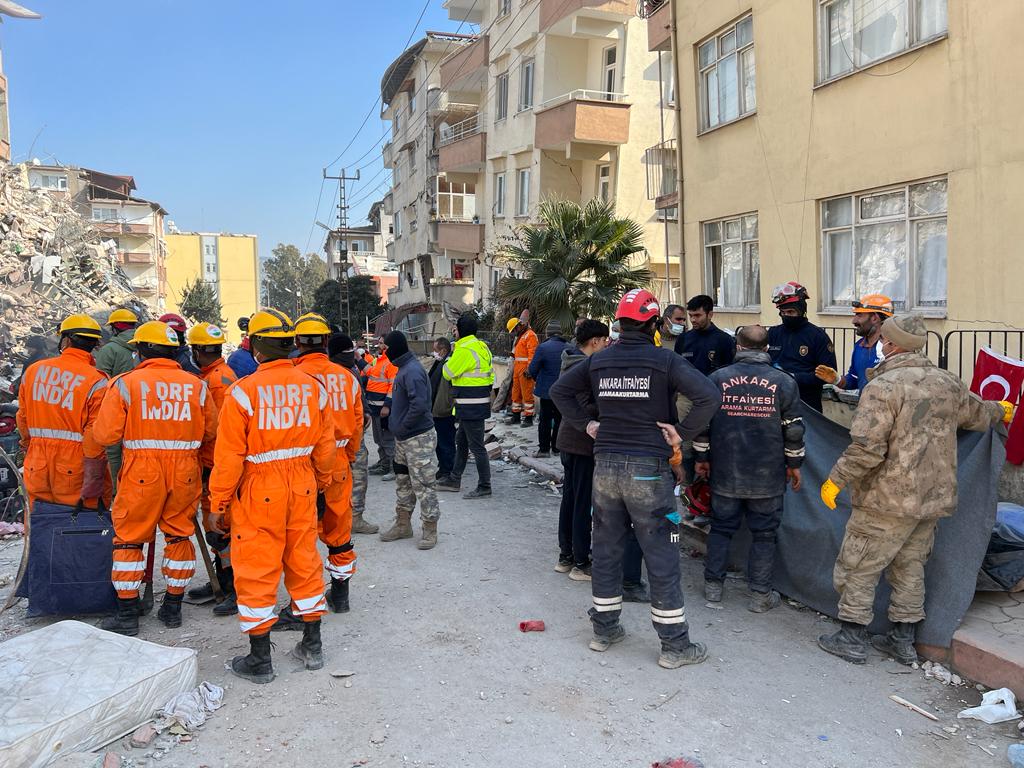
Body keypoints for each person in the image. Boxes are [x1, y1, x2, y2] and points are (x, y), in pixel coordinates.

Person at [817, 314, 1007, 665]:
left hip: (886, 500)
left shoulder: (883, 387)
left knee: (858, 566)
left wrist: (835, 480)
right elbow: (979, 415)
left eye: (883, 339)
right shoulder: (948, 382)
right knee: (910, 568)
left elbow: (867, 448)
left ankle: (851, 638)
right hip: (931, 500)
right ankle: (902, 640)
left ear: (891, 344)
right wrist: (1001, 410)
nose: (880, 344)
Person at [551, 288, 721, 669]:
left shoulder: (600, 360)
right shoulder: (665, 361)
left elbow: (560, 391)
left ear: (620, 323)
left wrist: (587, 424)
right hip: (648, 471)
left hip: (606, 468)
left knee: (606, 547)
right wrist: (681, 433)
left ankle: (604, 630)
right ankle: (675, 645)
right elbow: (709, 396)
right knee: (663, 550)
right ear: (653, 323)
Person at [207, 309, 336, 683]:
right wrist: (320, 483)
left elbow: (229, 456)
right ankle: (312, 646)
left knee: (256, 568)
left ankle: (260, 660)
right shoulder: (313, 388)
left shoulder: (243, 392)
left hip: (260, 488)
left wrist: (218, 503)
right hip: (302, 483)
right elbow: (325, 447)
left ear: (256, 347)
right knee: (304, 561)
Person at [93, 320, 218, 636]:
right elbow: (211, 431)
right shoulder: (196, 385)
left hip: (142, 473)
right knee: (178, 536)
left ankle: (127, 613)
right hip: (185, 472)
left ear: (143, 350)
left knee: (129, 539)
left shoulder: (126, 384)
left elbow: (106, 435)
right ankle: (173, 608)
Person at [690, 325, 804, 613]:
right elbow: (793, 430)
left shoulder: (717, 379)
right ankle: (760, 595)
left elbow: (703, 425)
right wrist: (794, 465)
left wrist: (701, 458)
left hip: (726, 471)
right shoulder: (784, 382)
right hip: (767, 474)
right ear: (766, 349)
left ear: (738, 347)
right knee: (764, 534)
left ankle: (713, 588)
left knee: (720, 528)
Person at [556, 321, 650, 595]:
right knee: (581, 503)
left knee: (571, 500)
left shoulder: (571, 360)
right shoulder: (584, 367)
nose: (609, 344)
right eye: (606, 340)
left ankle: (566, 555)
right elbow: (585, 405)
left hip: (571, 441)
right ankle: (581, 563)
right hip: (583, 443)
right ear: (595, 341)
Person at [292, 313, 362, 614]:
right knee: (339, 533)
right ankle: (341, 595)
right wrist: (348, 456)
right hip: (339, 464)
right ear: (326, 341)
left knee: (301, 536)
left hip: (302, 466)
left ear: (297, 342)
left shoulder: (294, 378)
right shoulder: (347, 378)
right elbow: (357, 424)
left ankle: (304, 602)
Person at [16, 314, 109, 511]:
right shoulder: (97, 381)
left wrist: (28, 445)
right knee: (76, 521)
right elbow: (94, 433)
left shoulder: (34, 371)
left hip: (37, 461)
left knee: (38, 519)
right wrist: (94, 470)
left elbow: (22, 418)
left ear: (66, 340)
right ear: (95, 345)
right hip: (75, 466)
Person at [184, 322, 239, 616]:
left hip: (216, 463)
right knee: (217, 528)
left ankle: (234, 587)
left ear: (197, 351)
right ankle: (222, 579)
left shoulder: (214, 382)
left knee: (222, 529)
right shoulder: (221, 374)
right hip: (217, 462)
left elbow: (215, 430)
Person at [378, 331, 442, 549]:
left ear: (395, 348)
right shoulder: (403, 368)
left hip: (418, 439)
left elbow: (420, 405)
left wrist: (403, 426)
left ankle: (430, 530)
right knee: (403, 483)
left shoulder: (412, 371)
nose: (383, 351)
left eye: (385, 348)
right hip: (404, 440)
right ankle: (403, 525)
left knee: (424, 485)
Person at [438, 314, 495, 499]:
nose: (454, 332)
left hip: (470, 405)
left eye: (455, 329)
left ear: (461, 331)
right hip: (476, 403)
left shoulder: (463, 350)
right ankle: (454, 479)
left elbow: (447, 373)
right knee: (461, 442)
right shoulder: (482, 346)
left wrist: (449, 356)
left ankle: (484, 486)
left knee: (477, 447)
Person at [328, 333, 378, 534]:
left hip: (351, 436)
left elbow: (360, 397)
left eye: (352, 350)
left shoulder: (351, 371)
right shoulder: (333, 374)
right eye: (346, 351)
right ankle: (336, 520)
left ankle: (354, 518)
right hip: (338, 438)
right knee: (338, 481)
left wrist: (366, 412)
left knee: (357, 478)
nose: (350, 354)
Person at [767, 281, 836, 412]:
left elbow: (828, 374)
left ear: (801, 310)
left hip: (806, 404)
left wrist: (794, 377)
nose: (786, 316)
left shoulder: (818, 336)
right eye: (783, 312)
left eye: (791, 312)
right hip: (775, 401)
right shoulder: (773, 333)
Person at [94, 308, 139, 496]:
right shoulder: (144, 346)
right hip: (141, 410)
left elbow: (100, 382)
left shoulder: (109, 350)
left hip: (114, 407)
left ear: (115, 328)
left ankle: (116, 493)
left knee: (113, 452)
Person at [815, 294, 894, 393]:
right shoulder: (859, 346)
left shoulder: (893, 347)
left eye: (859, 315)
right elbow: (855, 380)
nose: (854, 321)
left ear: (874, 317)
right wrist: (837, 380)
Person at [528, 320, 572, 458]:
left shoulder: (543, 347)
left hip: (547, 391)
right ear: (560, 333)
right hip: (564, 391)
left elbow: (532, 369)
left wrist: (539, 381)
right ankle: (557, 448)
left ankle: (544, 450)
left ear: (548, 333)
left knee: (545, 420)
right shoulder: (569, 347)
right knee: (560, 420)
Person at [362, 339, 398, 479]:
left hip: (383, 409)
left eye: (382, 342)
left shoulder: (390, 363)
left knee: (387, 439)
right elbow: (370, 372)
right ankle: (384, 463)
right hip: (375, 408)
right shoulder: (379, 361)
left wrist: (387, 405)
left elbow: (392, 386)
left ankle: (393, 468)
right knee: (379, 439)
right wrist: (358, 359)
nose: (379, 344)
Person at [674, 295, 735, 375]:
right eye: (690, 316)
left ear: (710, 315)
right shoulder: (682, 339)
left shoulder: (725, 340)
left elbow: (729, 372)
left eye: (697, 315)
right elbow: (677, 369)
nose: (693, 320)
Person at [428, 337, 456, 480]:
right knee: (439, 442)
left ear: (443, 350)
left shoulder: (449, 364)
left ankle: (447, 471)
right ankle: (443, 468)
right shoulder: (440, 362)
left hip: (444, 410)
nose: (434, 353)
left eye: (436, 350)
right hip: (437, 409)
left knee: (446, 442)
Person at [507, 315, 538, 427]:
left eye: (514, 330)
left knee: (527, 394)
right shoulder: (521, 336)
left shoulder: (530, 335)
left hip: (525, 369)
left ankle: (529, 418)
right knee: (516, 393)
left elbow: (532, 354)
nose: (514, 333)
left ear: (519, 326)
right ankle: (516, 416)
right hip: (518, 368)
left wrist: (530, 369)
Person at [93, 308, 138, 377]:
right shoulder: (145, 345)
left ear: (117, 325)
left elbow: (100, 378)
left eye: (111, 326)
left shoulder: (109, 349)